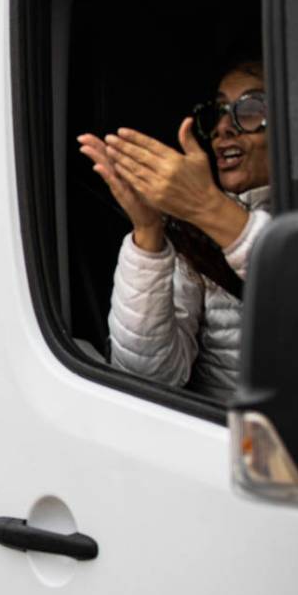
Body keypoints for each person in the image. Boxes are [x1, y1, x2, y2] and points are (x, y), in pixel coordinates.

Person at [76, 61, 270, 398]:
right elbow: (149, 377)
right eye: (219, 111)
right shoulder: (192, 234)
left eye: (250, 110)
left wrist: (207, 207)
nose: (224, 127)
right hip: (219, 434)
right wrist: (148, 230)